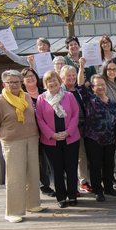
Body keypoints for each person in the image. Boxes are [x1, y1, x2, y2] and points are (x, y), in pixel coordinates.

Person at [0, 70, 45, 223]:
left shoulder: (26, 96)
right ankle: (13, 211)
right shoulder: (0, 101)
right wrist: (4, 136)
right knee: (15, 176)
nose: (14, 84)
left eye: (17, 81)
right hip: (13, 143)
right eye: (10, 82)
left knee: (33, 172)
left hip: (32, 139)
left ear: (21, 82)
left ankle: (33, 204)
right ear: (4, 84)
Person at [78, 59, 116, 201]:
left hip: (110, 139)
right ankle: (98, 190)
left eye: (103, 85)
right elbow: (80, 84)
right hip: (93, 139)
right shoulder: (89, 99)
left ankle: (109, 187)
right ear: (93, 87)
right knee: (96, 166)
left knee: (109, 164)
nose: (101, 87)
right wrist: (82, 66)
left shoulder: (112, 103)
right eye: (98, 85)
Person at [36, 70, 80, 207]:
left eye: (54, 79)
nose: (52, 82)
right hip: (51, 141)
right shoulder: (41, 99)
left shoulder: (69, 96)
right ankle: (61, 197)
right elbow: (40, 119)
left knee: (71, 168)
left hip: (71, 138)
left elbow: (75, 114)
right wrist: (52, 134)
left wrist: (68, 132)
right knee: (57, 170)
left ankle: (73, 195)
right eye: (49, 80)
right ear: (45, 84)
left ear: (59, 81)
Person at [21, 67, 55, 197]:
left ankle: (53, 184)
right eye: (27, 76)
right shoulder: (21, 95)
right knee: (38, 161)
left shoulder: (45, 92)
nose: (30, 78)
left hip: (48, 131)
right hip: (30, 133)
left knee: (49, 160)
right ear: (23, 81)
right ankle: (42, 186)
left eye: (32, 75)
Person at [60, 65, 93, 193]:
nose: (72, 77)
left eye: (74, 75)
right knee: (70, 158)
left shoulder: (80, 90)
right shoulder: (60, 92)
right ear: (62, 77)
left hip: (84, 127)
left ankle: (83, 181)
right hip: (68, 129)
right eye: (69, 75)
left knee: (82, 155)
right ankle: (72, 185)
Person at [101, 59, 116, 188]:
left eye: (114, 69)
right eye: (109, 69)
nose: (112, 72)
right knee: (111, 150)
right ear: (105, 70)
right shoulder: (103, 84)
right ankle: (110, 178)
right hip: (108, 122)